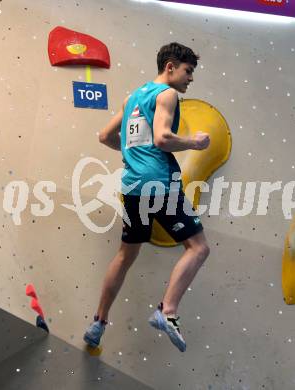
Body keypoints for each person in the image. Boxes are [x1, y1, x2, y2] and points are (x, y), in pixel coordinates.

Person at [83, 42, 210, 352]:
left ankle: (98, 322)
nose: (190, 78)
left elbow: (104, 136)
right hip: (160, 185)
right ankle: (167, 311)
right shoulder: (167, 94)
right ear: (170, 67)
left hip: (133, 187)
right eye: (188, 71)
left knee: (126, 254)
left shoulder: (133, 97)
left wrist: (132, 153)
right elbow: (163, 138)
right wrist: (194, 142)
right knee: (198, 248)